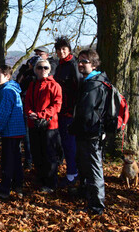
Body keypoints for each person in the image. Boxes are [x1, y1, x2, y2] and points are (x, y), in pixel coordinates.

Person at [69, 49, 108, 214]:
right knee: (84, 165)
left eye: (84, 61)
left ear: (93, 64)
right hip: (85, 132)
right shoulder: (90, 81)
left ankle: (96, 206)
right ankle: (85, 193)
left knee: (93, 168)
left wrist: (76, 127)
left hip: (91, 133)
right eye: (79, 60)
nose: (80, 64)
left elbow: (87, 113)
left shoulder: (94, 84)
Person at [24, 59, 62, 193]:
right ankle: (40, 179)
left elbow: (57, 105)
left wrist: (42, 114)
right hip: (34, 124)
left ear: (49, 69)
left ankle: (51, 183)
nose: (43, 70)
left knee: (49, 155)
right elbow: (27, 102)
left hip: (49, 126)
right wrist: (30, 113)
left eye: (45, 67)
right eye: (40, 68)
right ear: (35, 70)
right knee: (37, 153)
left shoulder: (55, 85)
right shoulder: (32, 85)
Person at [0, 65, 27, 200]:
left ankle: (5, 189)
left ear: (7, 76)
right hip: (17, 130)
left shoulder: (6, 91)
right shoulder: (14, 89)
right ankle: (18, 185)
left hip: (10, 131)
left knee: (8, 161)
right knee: (16, 160)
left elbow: (3, 113)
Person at [53, 36, 81, 189]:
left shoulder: (73, 65)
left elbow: (77, 88)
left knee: (70, 144)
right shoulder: (60, 66)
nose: (61, 52)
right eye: (59, 50)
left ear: (69, 50)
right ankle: (72, 171)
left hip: (69, 112)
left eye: (64, 49)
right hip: (61, 111)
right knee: (64, 143)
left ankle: (73, 174)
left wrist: (72, 110)